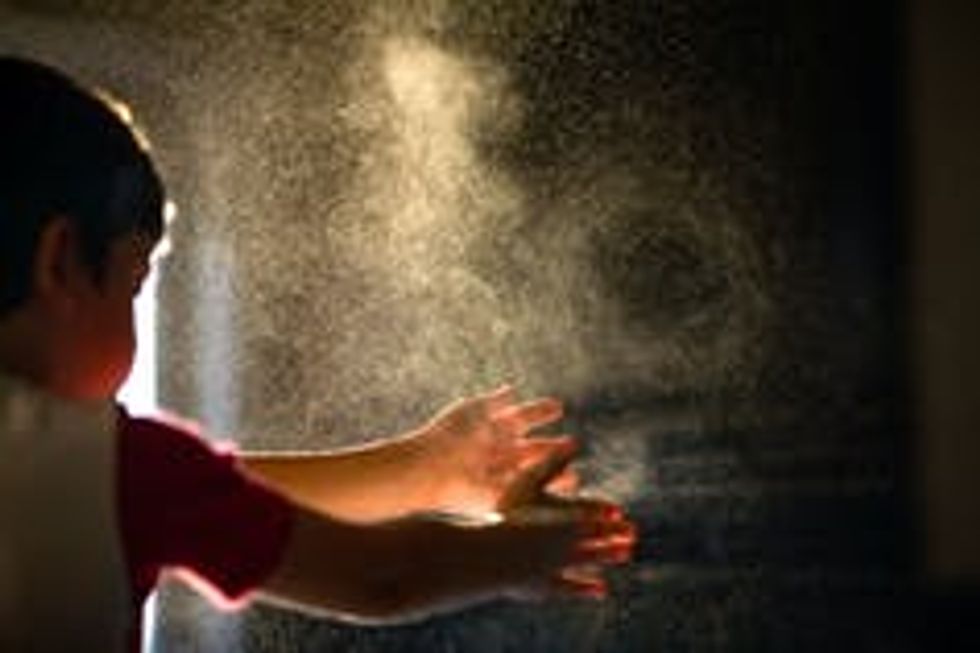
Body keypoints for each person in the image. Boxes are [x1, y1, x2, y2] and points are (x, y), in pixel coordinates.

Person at [0, 56, 636, 652]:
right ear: (61, 261)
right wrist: (530, 543)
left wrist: (424, 469)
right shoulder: (124, 472)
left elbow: (211, 495)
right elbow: (383, 576)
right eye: (133, 286)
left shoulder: (101, 474)